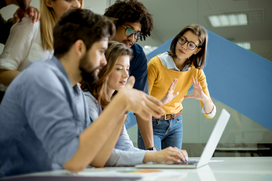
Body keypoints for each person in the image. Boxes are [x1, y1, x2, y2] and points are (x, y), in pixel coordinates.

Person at [0, 9, 165, 177]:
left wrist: (121, 111)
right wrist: (118, 104)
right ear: (79, 47)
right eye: (101, 51)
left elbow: (98, 159)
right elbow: (74, 161)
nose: (103, 61)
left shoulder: (74, 92)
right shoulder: (43, 80)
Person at [81, 41, 188, 167]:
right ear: (101, 69)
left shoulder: (113, 103)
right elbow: (101, 156)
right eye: (119, 68)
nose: (126, 75)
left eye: (127, 68)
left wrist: (158, 156)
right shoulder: (87, 103)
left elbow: (125, 147)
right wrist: (153, 156)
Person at [147, 24, 217, 150]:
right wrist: (161, 102)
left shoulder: (196, 71)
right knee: (152, 167)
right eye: (183, 40)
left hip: (176, 124)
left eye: (191, 45)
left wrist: (204, 99)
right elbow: (140, 106)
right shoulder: (155, 64)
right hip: (152, 123)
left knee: (174, 168)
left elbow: (210, 113)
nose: (184, 46)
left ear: (197, 50)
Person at [0, 0, 83, 103]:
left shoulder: (70, 41)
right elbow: (2, 73)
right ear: (49, 2)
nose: (77, 4)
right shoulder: (31, 24)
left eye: (79, 0)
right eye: (69, 0)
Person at [104, 0, 156, 151]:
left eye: (137, 34)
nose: (132, 39)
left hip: (117, 119)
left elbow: (141, 106)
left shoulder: (137, 55)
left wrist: (151, 150)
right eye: (129, 31)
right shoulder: (93, 46)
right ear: (113, 25)